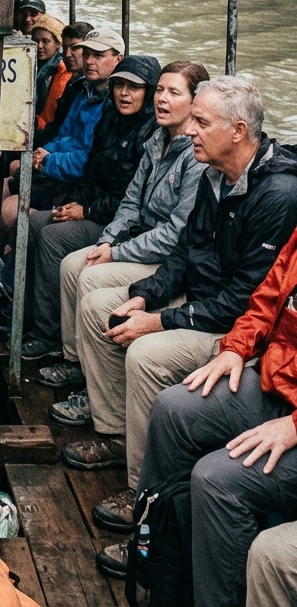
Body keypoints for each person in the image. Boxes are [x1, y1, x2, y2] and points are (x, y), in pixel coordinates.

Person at [73, 76, 297, 544]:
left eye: (201, 121)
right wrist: (147, 295)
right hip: (207, 304)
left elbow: (244, 301)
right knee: (104, 308)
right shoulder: (216, 175)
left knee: (147, 355)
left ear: (238, 131)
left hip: (229, 322)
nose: (189, 130)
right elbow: (184, 254)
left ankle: (142, 494)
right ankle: (116, 435)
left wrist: (159, 322)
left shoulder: (276, 197)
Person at [115, 218, 297, 605]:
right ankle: (157, 554)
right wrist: (235, 347)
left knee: (216, 478)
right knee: (175, 408)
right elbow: (266, 299)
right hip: (280, 380)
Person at [37, 62, 207, 394]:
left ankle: (98, 386)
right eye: (160, 90)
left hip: (166, 257)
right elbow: (131, 202)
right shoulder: (158, 140)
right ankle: (77, 363)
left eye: (174, 93)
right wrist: (107, 242)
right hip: (139, 239)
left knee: (90, 276)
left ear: (194, 102)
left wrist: (116, 252)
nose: (162, 99)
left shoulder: (196, 156)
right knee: (78, 264)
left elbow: (175, 233)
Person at [19, 54, 161, 361]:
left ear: (148, 92)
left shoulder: (149, 132)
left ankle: (48, 335)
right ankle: (28, 315)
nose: (124, 93)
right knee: (33, 223)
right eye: (119, 86)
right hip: (98, 206)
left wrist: (88, 211)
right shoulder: (110, 120)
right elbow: (92, 170)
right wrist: (79, 201)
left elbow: (130, 196)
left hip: (120, 223)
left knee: (53, 236)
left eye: (133, 88)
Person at [1, 27, 124, 230]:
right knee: (6, 185)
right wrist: (45, 152)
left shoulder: (115, 103)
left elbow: (88, 158)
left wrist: (48, 161)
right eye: (87, 54)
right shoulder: (85, 90)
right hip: (62, 169)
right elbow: (64, 134)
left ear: (118, 59)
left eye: (99, 56)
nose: (90, 61)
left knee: (10, 208)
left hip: (80, 181)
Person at [30, 14, 68, 128]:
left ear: (58, 44)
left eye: (45, 41)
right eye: (36, 41)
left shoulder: (61, 70)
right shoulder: (32, 64)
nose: (39, 46)